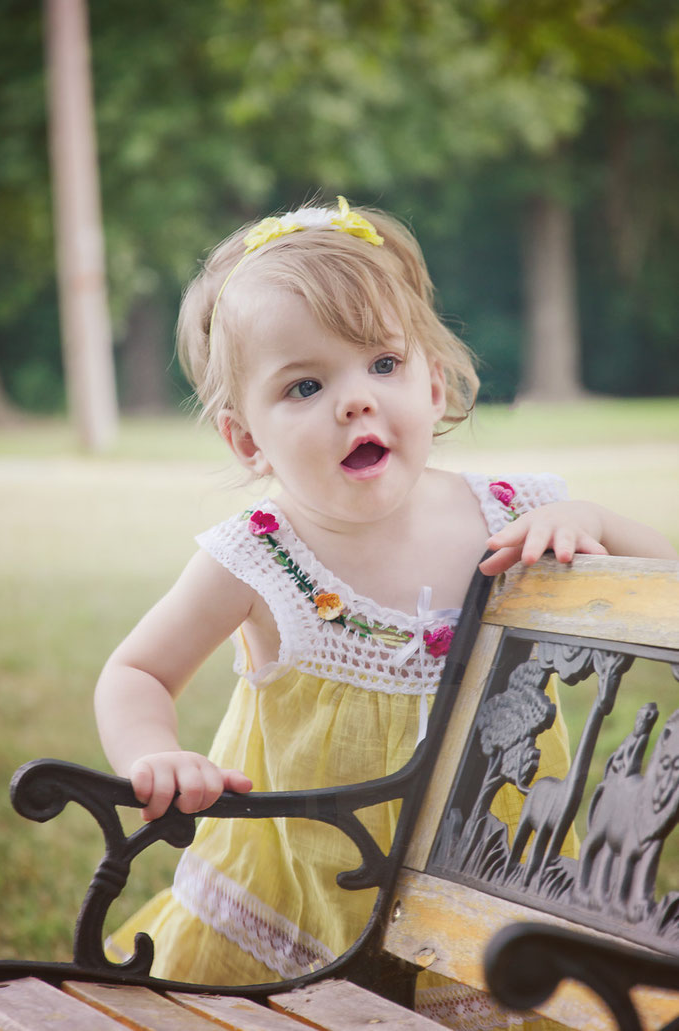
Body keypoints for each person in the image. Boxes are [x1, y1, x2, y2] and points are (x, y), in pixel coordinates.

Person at [95, 197, 676, 1026]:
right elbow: (137, 670)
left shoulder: (511, 514)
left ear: (433, 383)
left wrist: (593, 525)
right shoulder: (257, 552)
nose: (354, 401)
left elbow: (664, 580)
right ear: (246, 440)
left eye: (382, 364)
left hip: (483, 881)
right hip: (292, 887)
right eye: (305, 383)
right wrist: (156, 753)